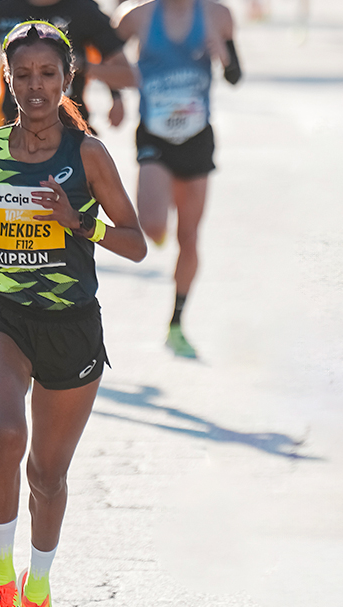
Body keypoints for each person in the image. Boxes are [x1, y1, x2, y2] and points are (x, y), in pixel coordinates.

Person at [0, 21, 146, 607]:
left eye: (47, 74)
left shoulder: (87, 155)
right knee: (8, 432)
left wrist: (80, 223)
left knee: (48, 474)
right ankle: (0, 583)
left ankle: (37, 585)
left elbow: (137, 243)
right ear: (7, 79)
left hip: (71, 325)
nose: (34, 86)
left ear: (68, 79)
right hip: (3, 316)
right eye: (22, 75)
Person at [115, 0, 239, 358]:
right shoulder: (135, 15)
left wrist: (225, 58)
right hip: (154, 134)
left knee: (189, 236)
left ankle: (176, 324)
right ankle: (159, 223)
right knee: (152, 226)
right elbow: (104, 52)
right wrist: (116, 93)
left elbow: (235, 76)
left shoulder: (217, 15)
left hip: (197, 136)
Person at [0, 0, 135, 129]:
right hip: (13, 124)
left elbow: (126, 73)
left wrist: (115, 95)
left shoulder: (82, 8)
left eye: (48, 73)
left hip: (69, 126)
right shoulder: (7, 6)